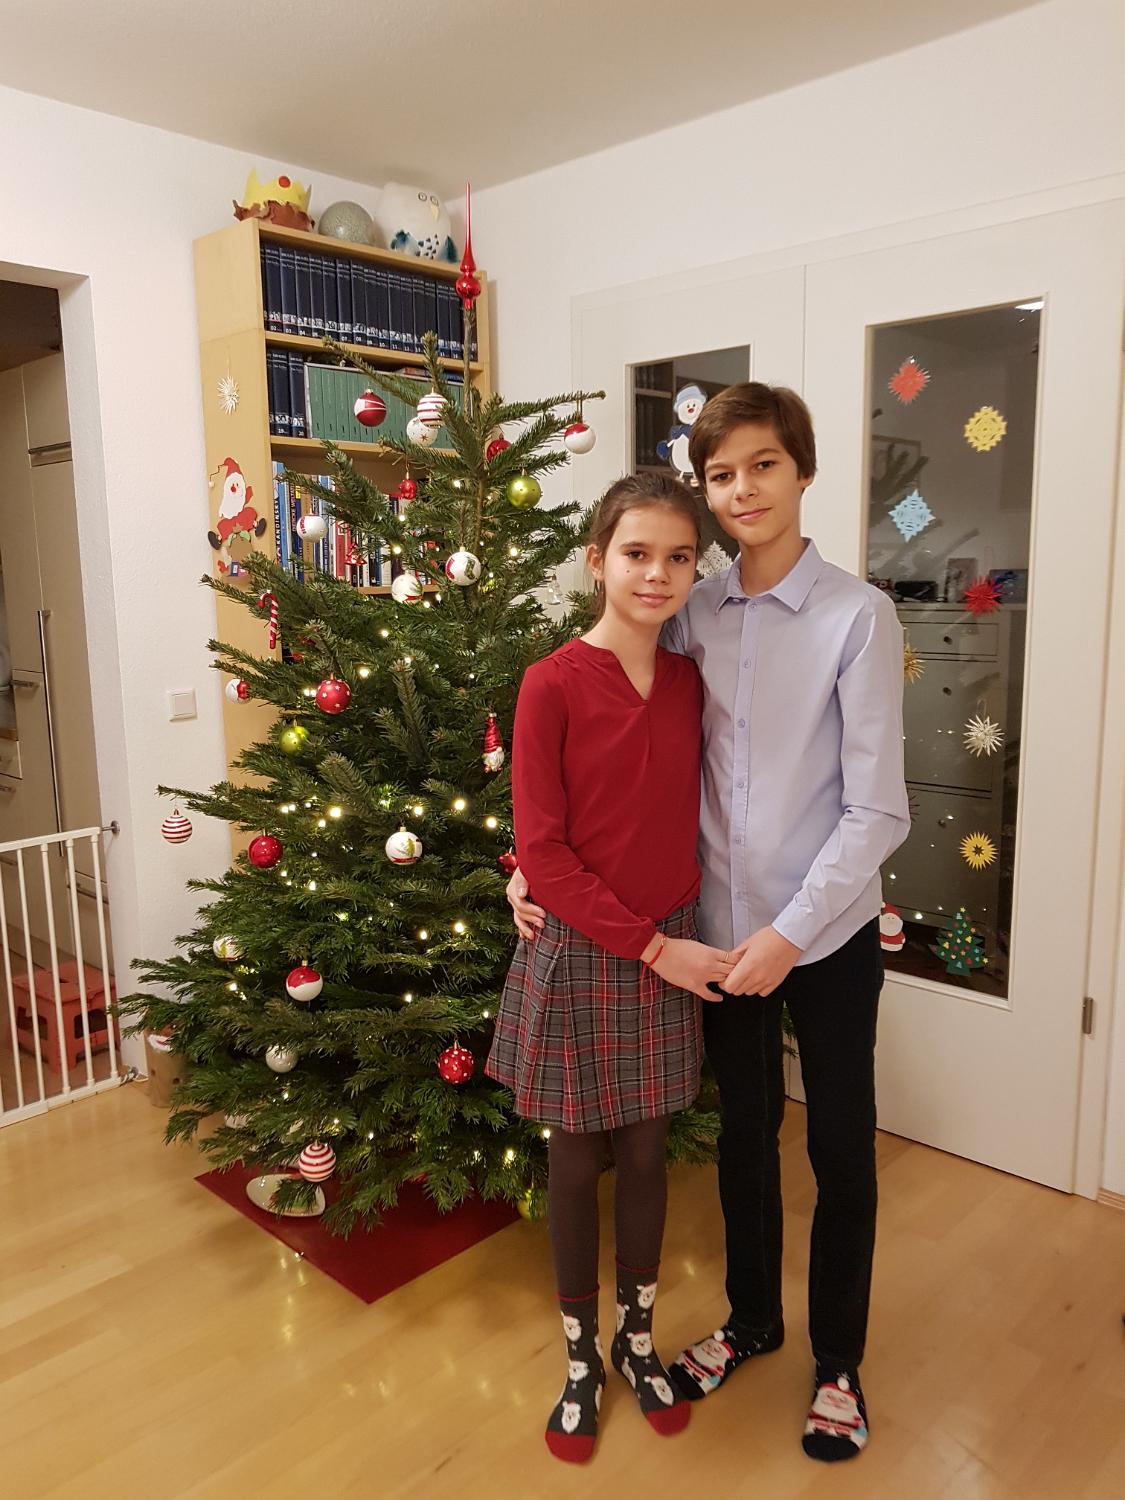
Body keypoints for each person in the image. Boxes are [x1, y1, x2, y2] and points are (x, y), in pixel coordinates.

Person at [507, 384, 909, 1463]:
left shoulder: (856, 616)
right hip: (712, 940)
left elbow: (878, 809)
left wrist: (790, 934)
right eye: (721, 474)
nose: (742, 491)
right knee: (743, 1138)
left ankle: (837, 1363)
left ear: (801, 471)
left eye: (762, 466)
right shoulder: (691, 606)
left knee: (839, 1147)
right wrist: (525, 871)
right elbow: (613, 766)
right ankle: (751, 1321)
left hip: (819, 938)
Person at [486, 472, 734, 1464]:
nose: (657, 574)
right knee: (573, 1159)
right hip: (591, 953)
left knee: (644, 1155)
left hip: (666, 942)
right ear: (597, 561)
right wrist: (655, 947)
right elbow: (545, 854)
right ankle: (581, 1357)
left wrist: (673, 937)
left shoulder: (690, 682)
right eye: (637, 554)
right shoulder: (549, 683)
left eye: (679, 557)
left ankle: (636, 1339)